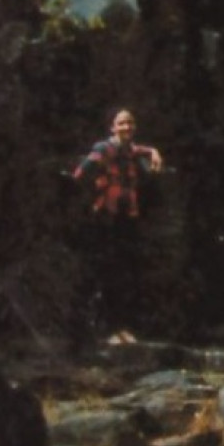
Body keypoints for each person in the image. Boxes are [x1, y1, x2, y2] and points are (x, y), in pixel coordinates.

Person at [72, 108, 165, 343]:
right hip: (106, 217)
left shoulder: (130, 150)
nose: (126, 127)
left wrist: (154, 151)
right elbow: (80, 174)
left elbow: (141, 149)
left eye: (130, 123)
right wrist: (97, 192)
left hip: (126, 217)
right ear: (112, 127)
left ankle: (122, 328)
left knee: (126, 272)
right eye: (121, 123)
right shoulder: (104, 149)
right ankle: (106, 330)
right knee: (107, 271)